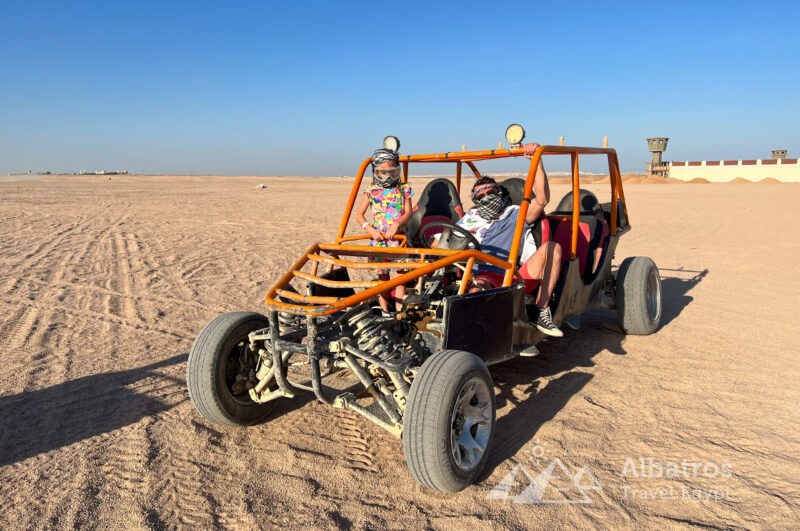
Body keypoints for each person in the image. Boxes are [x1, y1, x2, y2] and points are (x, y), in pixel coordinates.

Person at [434, 143, 563, 337]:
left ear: (499, 193)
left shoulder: (515, 214)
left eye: (491, 192)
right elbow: (442, 242)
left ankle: (539, 311)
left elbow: (542, 200)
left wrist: (536, 161)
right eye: (481, 195)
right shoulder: (471, 218)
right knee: (474, 287)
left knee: (553, 248)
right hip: (477, 272)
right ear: (476, 200)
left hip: (513, 275)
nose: (487, 197)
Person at [355, 148, 414, 315]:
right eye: (382, 172)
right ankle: (384, 312)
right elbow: (359, 215)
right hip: (379, 240)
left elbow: (409, 212)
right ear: (376, 171)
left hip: (399, 240)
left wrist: (396, 225)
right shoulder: (371, 190)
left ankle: (398, 312)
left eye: (391, 172)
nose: (387, 176)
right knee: (383, 279)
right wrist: (370, 229)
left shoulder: (404, 188)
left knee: (400, 278)